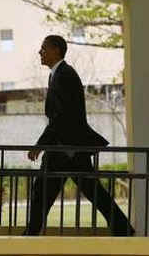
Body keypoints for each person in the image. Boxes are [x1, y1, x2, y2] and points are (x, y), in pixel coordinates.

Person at [25, 35, 135, 236]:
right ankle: (124, 229)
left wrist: (40, 145)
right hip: (66, 148)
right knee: (52, 192)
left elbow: (61, 117)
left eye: (44, 48)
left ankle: (30, 235)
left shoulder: (64, 75)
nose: (40, 52)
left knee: (48, 192)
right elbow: (59, 118)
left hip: (67, 150)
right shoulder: (57, 74)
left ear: (56, 50)